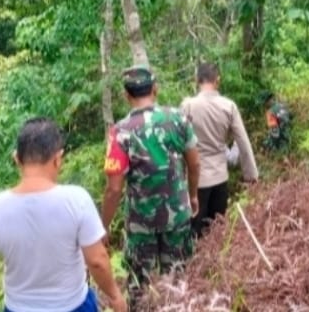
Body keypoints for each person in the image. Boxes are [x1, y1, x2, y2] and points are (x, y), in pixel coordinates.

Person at [0, 118, 126, 312]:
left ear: (17, 159)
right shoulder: (77, 200)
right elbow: (97, 261)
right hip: (73, 307)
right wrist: (115, 296)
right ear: (58, 159)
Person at [102, 65, 200, 308]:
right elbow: (195, 163)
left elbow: (114, 189)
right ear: (155, 89)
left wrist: (101, 226)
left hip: (140, 222)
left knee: (139, 286)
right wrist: (193, 196)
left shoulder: (120, 132)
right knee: (178, 281)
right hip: (176, 214)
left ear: (127, 95)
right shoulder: (178, 119)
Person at [180, 63, 258, 237]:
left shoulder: (188, 107)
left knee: (194, 234)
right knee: (217, 232)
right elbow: (243, 142)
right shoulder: (228, 106)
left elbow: (179, 145)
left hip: (195, 182)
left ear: (197, 80)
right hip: (220, 179)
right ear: (218, 80)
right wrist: (251, 175)